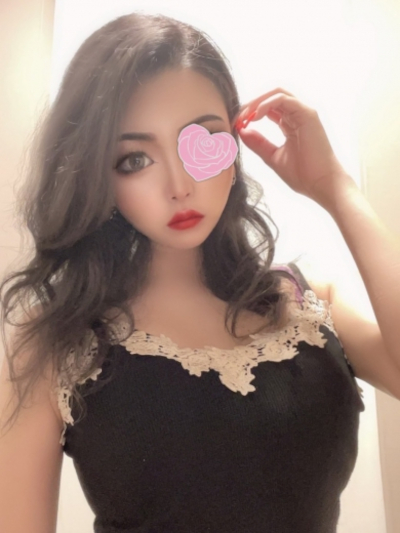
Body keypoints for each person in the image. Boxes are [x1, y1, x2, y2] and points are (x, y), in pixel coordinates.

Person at [0, 10, 375, 533]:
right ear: (97, 175)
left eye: (200, 138)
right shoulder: (56, 342)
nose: (179, 186)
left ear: (234, 142)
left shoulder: (309, 302)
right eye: (134, 160)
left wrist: (334, 187)